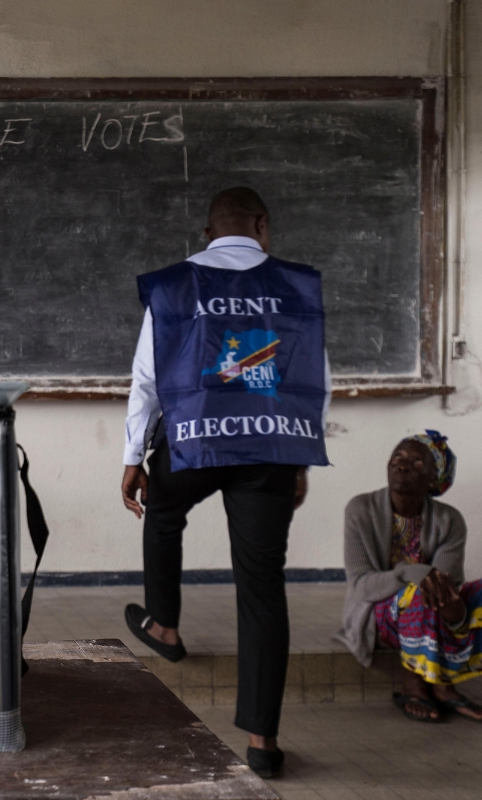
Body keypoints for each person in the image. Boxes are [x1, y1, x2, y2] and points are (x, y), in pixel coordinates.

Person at [119, 187, 331, 779]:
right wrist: (300, 460)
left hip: (195, 443)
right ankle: (262, 742)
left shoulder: (172, 286)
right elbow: (313, 381)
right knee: (261, 586)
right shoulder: (295, 286)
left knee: (161, 510)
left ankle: (164, 624)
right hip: (269, 447)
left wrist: (135, 456)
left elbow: (148, 380)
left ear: (208, 230)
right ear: (261, 225)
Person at [339, 431, 482, 722]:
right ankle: (427, 684)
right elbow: (362, 584)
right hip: (379, 611)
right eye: (398, 457)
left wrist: (455, 611)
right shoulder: (360, 509)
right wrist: (409, 571)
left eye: (417, 463)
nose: (402, 465)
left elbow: (446, 584)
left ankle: (436, 680)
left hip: (435, 610)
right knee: (420, 591)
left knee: (442, 591)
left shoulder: (450, 519)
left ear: (434, 478)